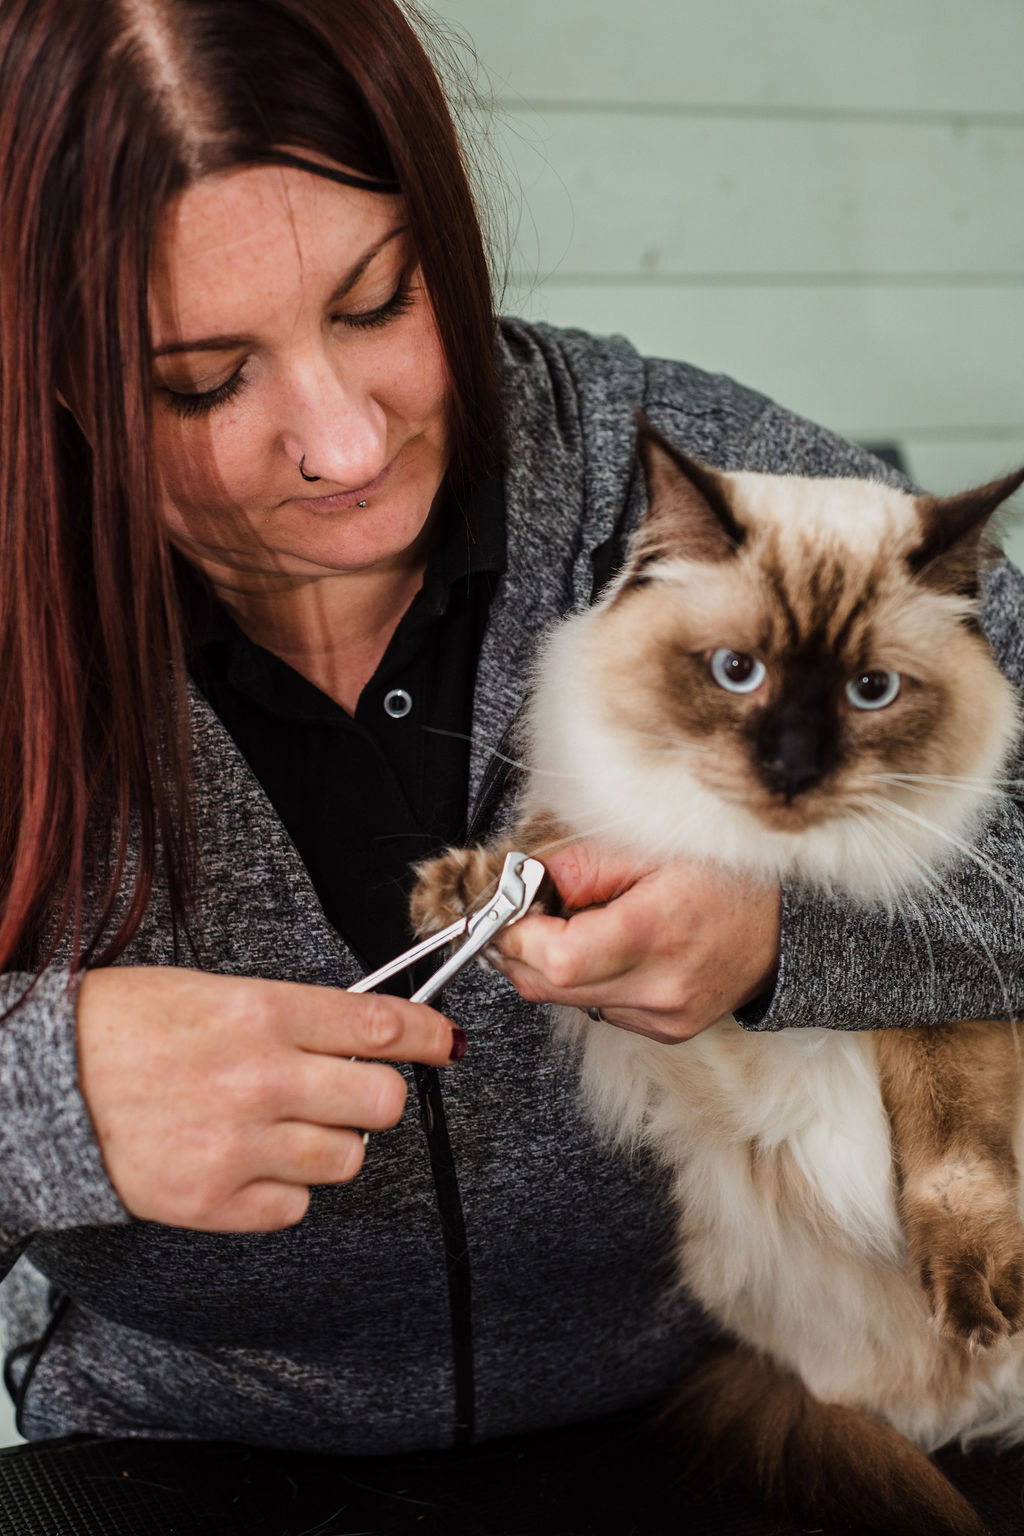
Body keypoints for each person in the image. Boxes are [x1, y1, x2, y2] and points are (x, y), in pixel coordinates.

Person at [1, 0, 1024, 1525]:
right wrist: (43, 1096)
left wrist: (781, 934)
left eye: (381, 301)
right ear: (59, 376)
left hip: (738, 1405)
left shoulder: (689, 472)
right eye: (204, 381)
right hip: (171, 1453)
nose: (343, 445)